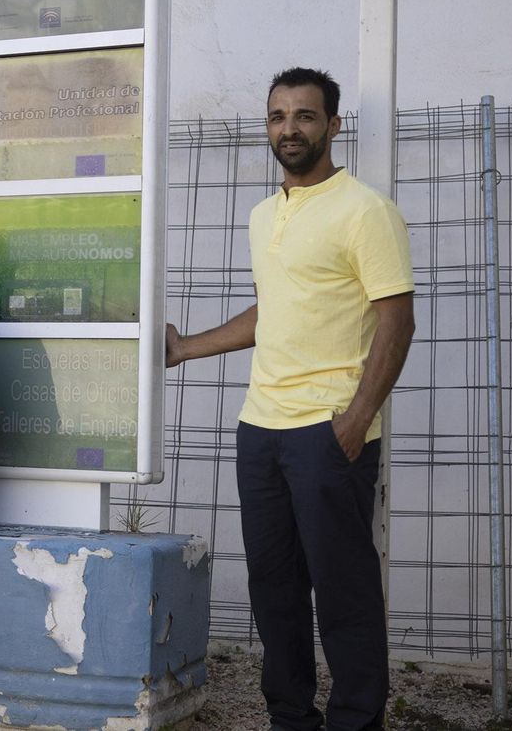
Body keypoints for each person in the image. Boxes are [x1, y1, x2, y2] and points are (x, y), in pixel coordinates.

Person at [165, 67, 414, 731]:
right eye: (278, 117)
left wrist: (358, 416)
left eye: (305, 116)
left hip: (328, 431)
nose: (289, 129)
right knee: (273, 591)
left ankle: (355, 721)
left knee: (344, 593)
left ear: (333, 125)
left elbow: (397, 319)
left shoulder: (365, 210)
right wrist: (186, 346)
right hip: (260, 430)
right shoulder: (262, 215)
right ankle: (289, 719)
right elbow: (272, 311)